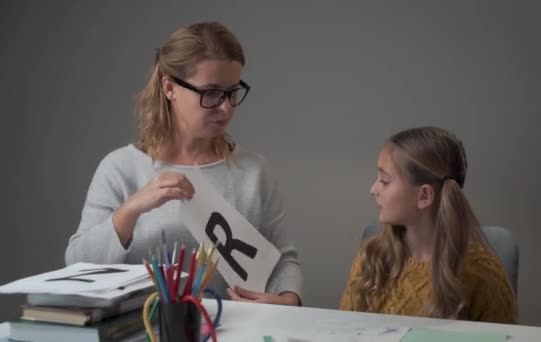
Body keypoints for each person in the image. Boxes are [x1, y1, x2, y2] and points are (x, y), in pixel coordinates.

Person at [65, 22, 302, 306]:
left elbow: (283, 259)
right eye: (212, 93)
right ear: (170, 88)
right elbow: (77, 264)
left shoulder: (253, 172)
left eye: (233, 92)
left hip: (235, 331)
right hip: (142, 332)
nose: (226, 107)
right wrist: (132, 208)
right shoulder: (120, 169)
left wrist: (289, 301)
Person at [340, 127, 517, 322]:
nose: (373, 189)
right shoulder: (372, 257)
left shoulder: (482, 274)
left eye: (385, 180)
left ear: (424, 196)